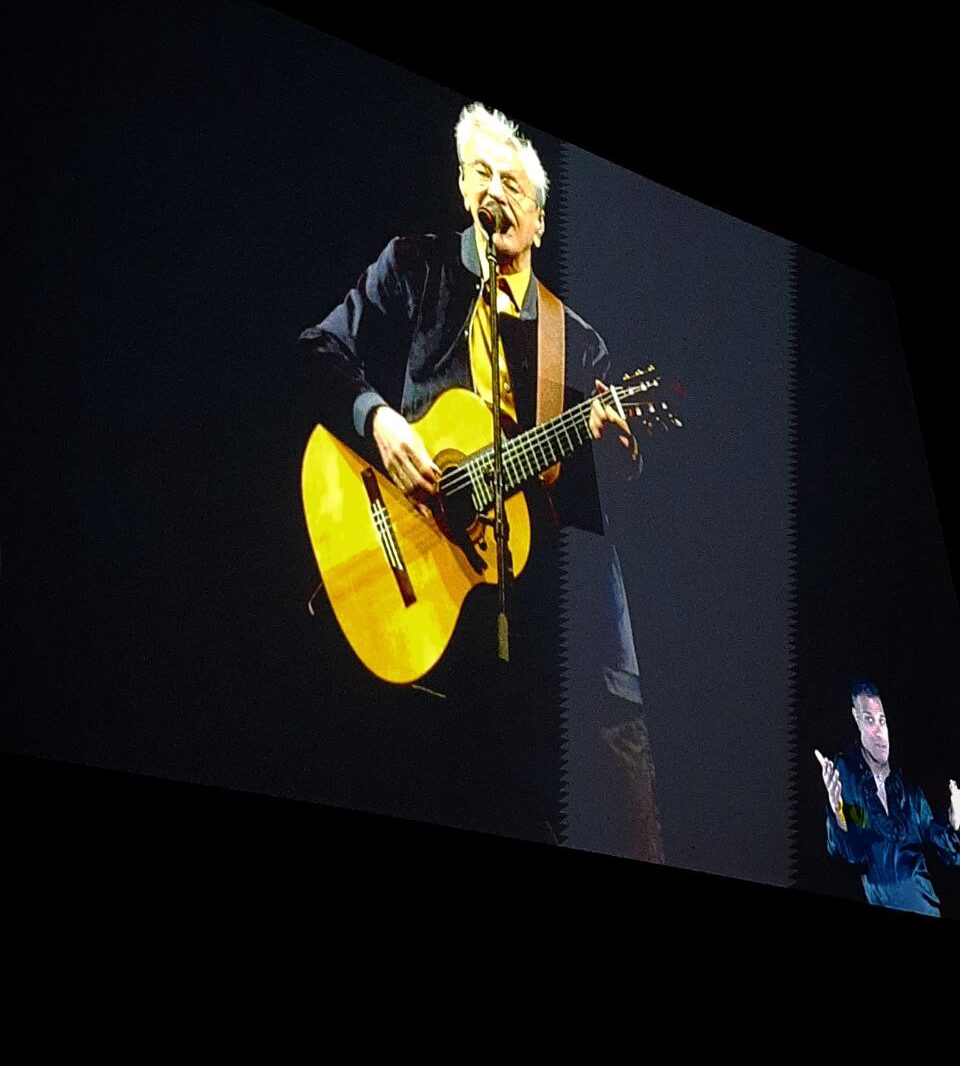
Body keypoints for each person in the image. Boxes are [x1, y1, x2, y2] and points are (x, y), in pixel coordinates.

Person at [300, 102, 663, 858]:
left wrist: (623, 459)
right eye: (480, 174)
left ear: (536, 219)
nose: (493, 193)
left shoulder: (581, 345)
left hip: (524, 636)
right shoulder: (412, 266)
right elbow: (316, 352)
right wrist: (379, 421)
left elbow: (599, 519)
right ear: (464, 188)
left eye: (511, 183)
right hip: (416, 584)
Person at [815, 680, 960, 917]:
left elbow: (938, 844)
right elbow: (853, 848)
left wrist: (954, 823)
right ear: (856, 719)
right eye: (869, 719)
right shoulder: (846, 775)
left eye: (882, 720)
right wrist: (839, 810)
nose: (879, 731)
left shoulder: (908, 790)